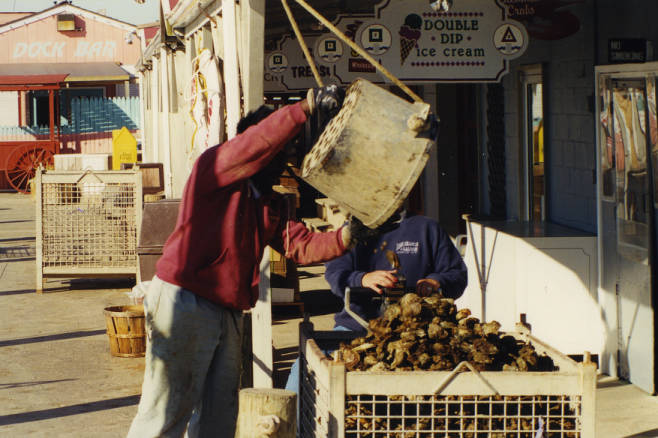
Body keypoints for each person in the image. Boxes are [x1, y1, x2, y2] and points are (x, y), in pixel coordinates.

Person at [127, 85, 358, 438]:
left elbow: (301, 244)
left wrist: (346, 237)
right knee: (166, 413)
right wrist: (305, 109)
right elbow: (258, 142)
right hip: (184, 301)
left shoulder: (266, 202)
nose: (283, 161)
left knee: (220, 417)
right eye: (280, 152)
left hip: (228, 312)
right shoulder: (214, 165)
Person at [285, 209, 467, 393]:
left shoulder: (427, 228)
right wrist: (362, 279)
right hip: (357, 326)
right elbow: (335, 274)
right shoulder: (354, 229)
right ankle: (289, 421)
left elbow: (457, 274)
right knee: (300, 369)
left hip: (418, 332)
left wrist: (435, 281)